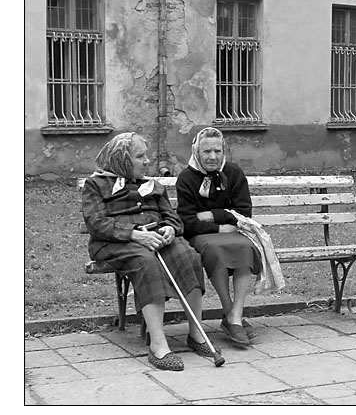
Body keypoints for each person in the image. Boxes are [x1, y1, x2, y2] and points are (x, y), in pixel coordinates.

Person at [81, 132, 224, 371]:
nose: (147, 161)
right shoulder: (96, 185)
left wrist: (170, 228)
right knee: (146, 262)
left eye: (146, 155)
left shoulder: (152, 185)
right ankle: (158, 346)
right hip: (117, 242)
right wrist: (135, 234)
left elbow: (173, 217)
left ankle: (197, 334)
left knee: (188, 256)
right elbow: (96, 223)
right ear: (122, 160)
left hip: (156, 237)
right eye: (140, 156)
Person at [176, 127, 262, 347]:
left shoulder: (233, 173)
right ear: (197, 152)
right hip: (202, 237)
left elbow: (243, 213)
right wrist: (220, 227)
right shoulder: (186, 178)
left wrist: (210, 215)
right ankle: (229, 311)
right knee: (215, 251)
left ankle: (235, 315)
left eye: (217, 151)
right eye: (207, 151)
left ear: (224, 152)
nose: (213, 156)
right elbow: (188, 223)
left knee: (246, 247)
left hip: (232, 233)